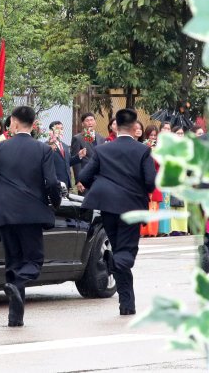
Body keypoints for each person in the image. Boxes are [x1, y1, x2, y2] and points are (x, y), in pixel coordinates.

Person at [0, 106, 61, 327]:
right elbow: (51, 182)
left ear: (13, 121)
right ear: (33, 124)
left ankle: (15, 318)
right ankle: (17, 286)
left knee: (13, 261)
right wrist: (56, 202)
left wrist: (2, 188)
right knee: (33, 260)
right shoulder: (42, 150)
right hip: (31, 212)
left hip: (4, 211)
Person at [78, 108, 156, 316]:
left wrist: (104, 184)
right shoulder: (143, 151)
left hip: (108, 207)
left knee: (120, 250)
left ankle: (127, 304)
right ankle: (112, 261)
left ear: (116, 126)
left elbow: (84, 177)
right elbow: (150, 182)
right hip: (131, 206)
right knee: (126, 253)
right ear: (133, 127)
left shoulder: (103, 149)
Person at [72, 112, 106, 192]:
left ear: (95, 122)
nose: (90, 123)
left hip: (99, 178)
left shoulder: (101, 138)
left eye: (92, 120)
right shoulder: (78, 138)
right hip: (85, 178)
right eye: (87, 121)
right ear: (83, 123)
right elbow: (76, 161)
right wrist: (78, 180)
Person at [46, 121, 73, 187]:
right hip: (54, 181)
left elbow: (68, 162)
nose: (60, 131)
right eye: (57, 129)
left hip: (66, 181)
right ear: (51, 131)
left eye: (62, 129)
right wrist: (49, 150)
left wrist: (79, 156)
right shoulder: (46, 146)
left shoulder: (65, 146)